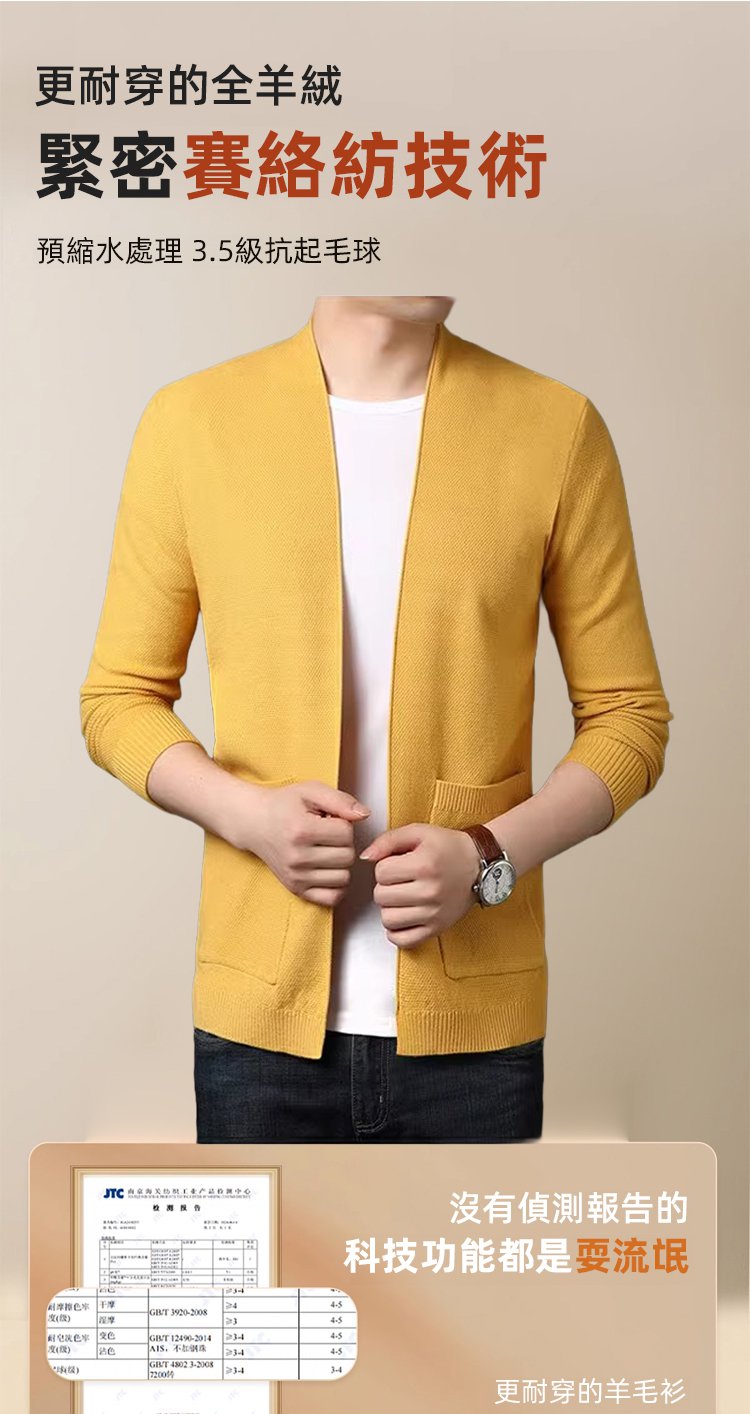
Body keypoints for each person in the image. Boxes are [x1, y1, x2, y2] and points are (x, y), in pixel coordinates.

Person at [80, 296, 672, 1144]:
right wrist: (249, 816)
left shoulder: (556, 428)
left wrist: (486, 855)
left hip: (477, 1037)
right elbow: (118, 698)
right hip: (258, 1033)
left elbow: (629, 716)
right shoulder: (192, 423)